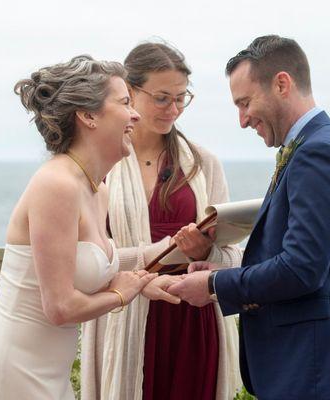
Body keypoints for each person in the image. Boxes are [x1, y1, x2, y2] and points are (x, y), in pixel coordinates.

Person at [169, 35, 330, 399]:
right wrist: (223, 274)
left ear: (282, 83)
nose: (242, 120)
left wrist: (213, 287)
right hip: (314, 367)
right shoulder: (313, 147)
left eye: (245, 102)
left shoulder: (319, 155)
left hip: (316, 370)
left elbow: (301, 270)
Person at [0, 55, 159, 400]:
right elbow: (60, 307)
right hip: (12, 373)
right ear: (88, 116)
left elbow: (84, 272)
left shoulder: (97, 189)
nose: (136, 115)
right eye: (125, 102)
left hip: (51, 372)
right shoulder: (57, 185)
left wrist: (145, 281)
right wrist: (119, 295)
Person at [80, 41, 242, 400]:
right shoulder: (98, 165)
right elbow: (86, 256)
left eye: (182, 98)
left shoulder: (204, 163)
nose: (174, 109)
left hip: (193, 318)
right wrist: (157, 257)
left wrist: (208, 253)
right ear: (130, 92)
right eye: (162, 98)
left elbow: (232, 255)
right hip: (122, 312)